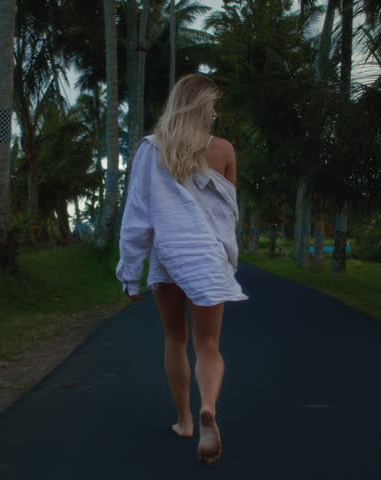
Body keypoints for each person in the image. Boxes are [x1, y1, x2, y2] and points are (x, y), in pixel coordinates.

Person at [115, 73, 249, 465]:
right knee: (208, 345)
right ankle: (209, 406)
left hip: (167, 255)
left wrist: (129, 271)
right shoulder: (224, 150)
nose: (216, 111)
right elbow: (228, 216)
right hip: (206, 257)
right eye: (212, 105)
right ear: (201, 107)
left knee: (175, 338)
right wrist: (226, 258)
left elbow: (137, 215)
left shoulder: (149, 150)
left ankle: (185, 421)